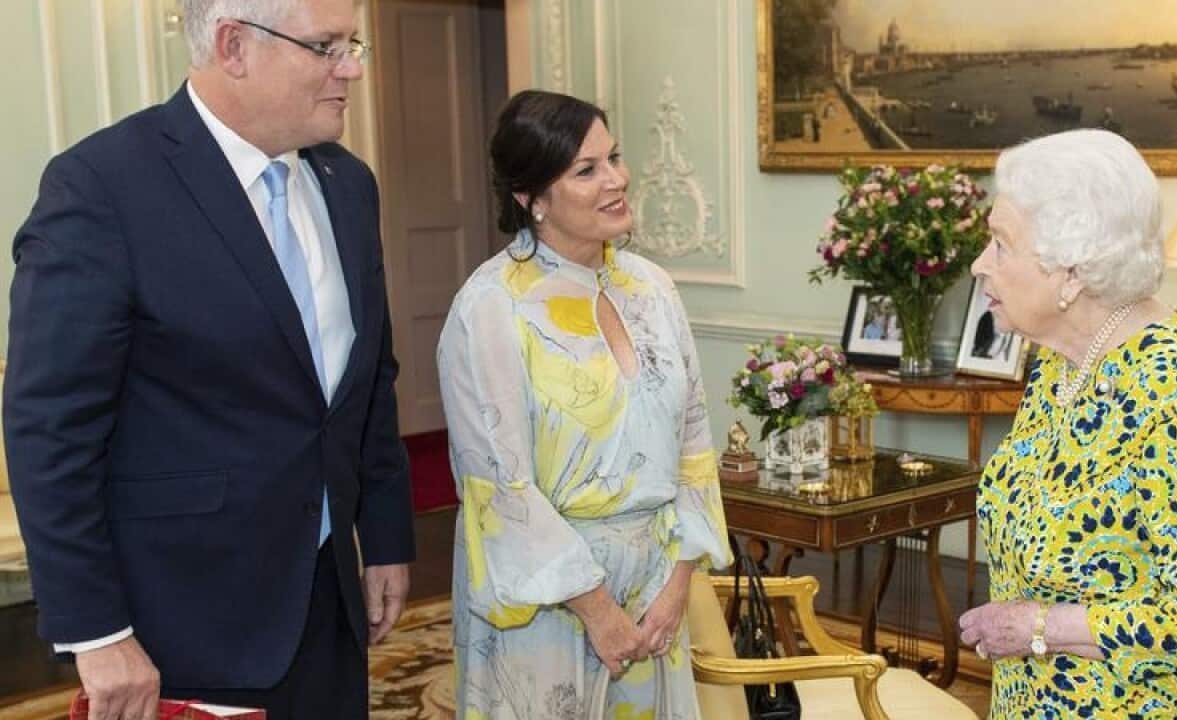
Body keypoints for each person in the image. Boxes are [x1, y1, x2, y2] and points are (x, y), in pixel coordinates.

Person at [4, 1, 415, 718]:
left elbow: (368, 384)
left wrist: (382, 537)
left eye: (353, 45)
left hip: (328, 603)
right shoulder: (103, 186)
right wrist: (96, 631)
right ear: (233, 46)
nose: (350, 69)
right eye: (325, 47)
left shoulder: (349, 185)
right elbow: (50, 430)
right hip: (182, 622)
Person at [438, 89, 732, 718]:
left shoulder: (652, 288)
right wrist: (599, 611)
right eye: (586, 169)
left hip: (657, 593)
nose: (617, 180)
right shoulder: (490, 307)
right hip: (546, 607)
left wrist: (677, 582)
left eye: (614, 158)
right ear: (531, 197)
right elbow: (500, 489)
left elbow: (694, 443)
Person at [959, 129, 1177, 718]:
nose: (979, 264)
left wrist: (1038, 627)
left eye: (1000, 245)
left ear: (1071, 271)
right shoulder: (1059, 361)